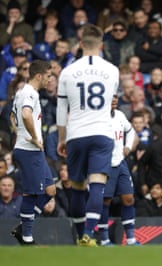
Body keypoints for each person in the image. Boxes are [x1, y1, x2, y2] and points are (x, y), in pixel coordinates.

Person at [56, 23, 119, 247]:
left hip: (76, 134)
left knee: (78, 188)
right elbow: (111, 103)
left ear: (81, 44)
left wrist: (62, 138)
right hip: (102, 132)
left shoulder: (67, 71)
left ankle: (78, 235)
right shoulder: (112, 70)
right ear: (101, 45)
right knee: (98, 184)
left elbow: (61, 110)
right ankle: (89, 236)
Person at [9, 60, 56, 245]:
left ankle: (24, 226)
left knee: (50, 190)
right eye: (48, 76)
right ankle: (27, 238)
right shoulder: (30, 93)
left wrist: (20, 133)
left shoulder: (21, 92)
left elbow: (13, 116)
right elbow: (26, 115)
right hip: (29, 149)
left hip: (32, 150)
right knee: (32, 194)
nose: (50, 80)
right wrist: (34, 136)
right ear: (39, 75)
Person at [97, 94, 139, 246]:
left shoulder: (120, 115)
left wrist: (128, 147)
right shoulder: (97, 119)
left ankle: (131, 239)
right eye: (111, 97)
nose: (114, 99)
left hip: (120, 163)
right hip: (104, 164)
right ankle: (103, 238)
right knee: (105, 201)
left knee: (128, 198)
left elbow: (131, 131)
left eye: (115, 97)